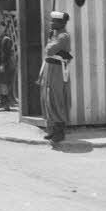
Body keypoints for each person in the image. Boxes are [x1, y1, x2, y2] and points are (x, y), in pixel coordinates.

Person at [40, 10, 74, 144]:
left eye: (55, 21)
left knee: (56, 97)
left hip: (58, 70)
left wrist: (50, 42)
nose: (51, 23)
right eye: (52, 21)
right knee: (48, 97)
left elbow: (49, 50)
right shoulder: (56, 35)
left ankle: (60, 131)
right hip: (50, 68)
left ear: (62, 23)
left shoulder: (63, 36)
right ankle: (53, 129)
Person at [0, 19, 17, 111]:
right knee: (0, 84)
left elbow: (6, 54)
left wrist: (3, 65)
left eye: (0, 27)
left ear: (4, 28)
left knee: (4, 84)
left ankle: (6, 104)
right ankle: (1, 102)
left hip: (4, 65)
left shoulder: (6, 39)